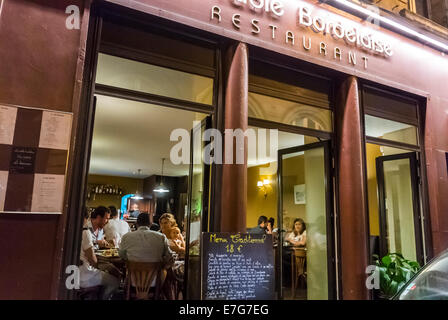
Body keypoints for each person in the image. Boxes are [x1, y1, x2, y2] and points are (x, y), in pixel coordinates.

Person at [79, 208, 120, 300]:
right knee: (115, 281)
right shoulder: (86, 231)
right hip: (85, 273)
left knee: (113, 271)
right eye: (106, 218)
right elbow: (92, 260)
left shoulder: (76, 230)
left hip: (77, 270)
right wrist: (97, 266)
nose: (108, 222)